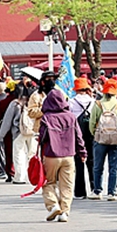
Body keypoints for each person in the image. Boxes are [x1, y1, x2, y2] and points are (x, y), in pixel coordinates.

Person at [39, 85, 86, 222]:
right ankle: (64, 212)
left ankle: (53, 205)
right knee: (67, 185)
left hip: (51, 155)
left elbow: (42, 137)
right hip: (69, 155)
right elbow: (79, 136)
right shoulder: (71, 117)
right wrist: (82, 152)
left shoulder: (47, 117)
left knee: (48, 183)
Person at [89, 79, 117, 200]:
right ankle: (111, 192)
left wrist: (96, 135)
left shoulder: (97, 105)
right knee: (114, 167)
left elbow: (92, 123)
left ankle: (97, 191)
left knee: (98, 166)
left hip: (100, 140)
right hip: (116, 140)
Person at [70, 77, 96, 200]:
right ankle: (95, 188)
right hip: (91, 134)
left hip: (77, 134)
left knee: (78, 162)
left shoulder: (71, 102)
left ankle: (80, 192)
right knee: (92, 161)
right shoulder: (93, 101)